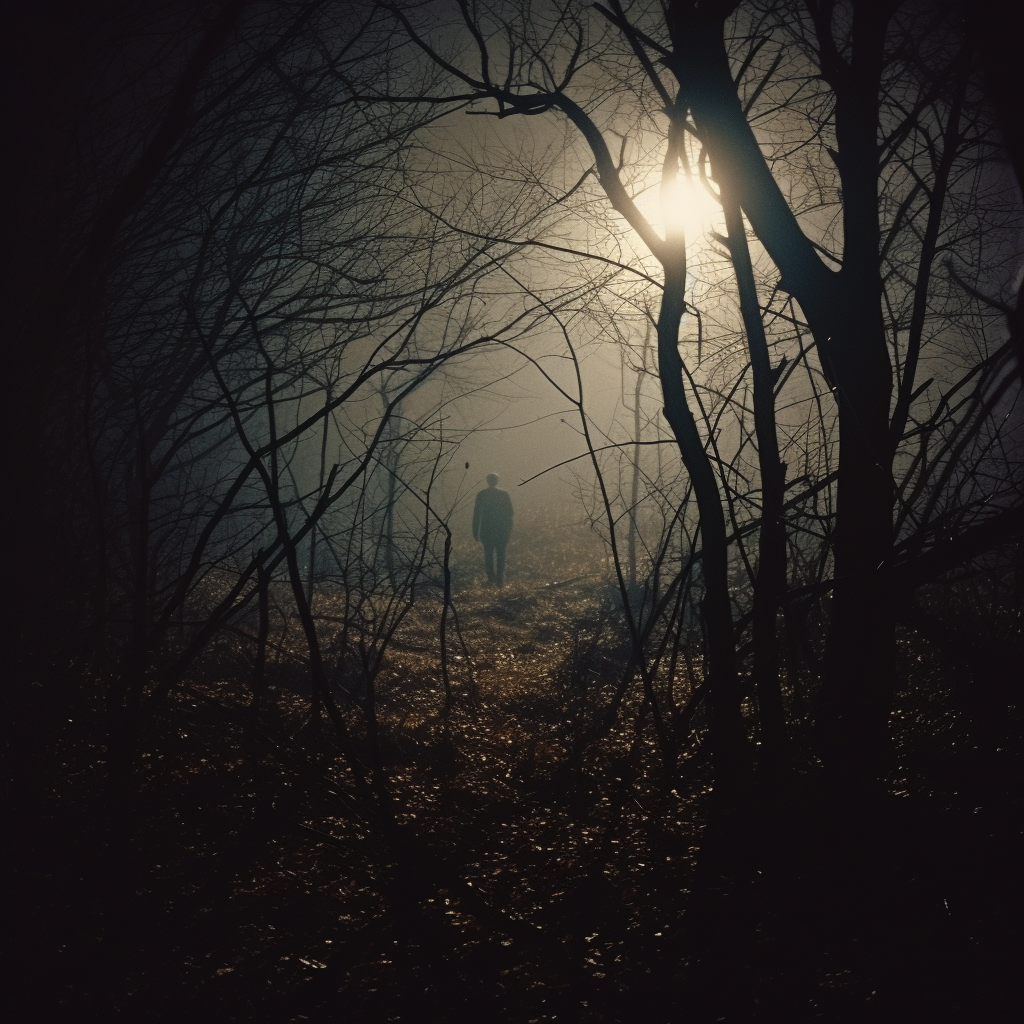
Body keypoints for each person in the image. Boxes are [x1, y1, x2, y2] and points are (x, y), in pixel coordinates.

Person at [472, 473, 513, 586]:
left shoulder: (482, 494)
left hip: (486, 530)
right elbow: (510, 513)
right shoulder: (504, 494)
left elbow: (477, 515)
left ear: (487, 481)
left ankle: (491, 579)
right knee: (501, 555)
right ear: (497, 481)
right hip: (501, 530)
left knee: (488, 555)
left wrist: (475, 531)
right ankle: (500, 581)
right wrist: (508, 531)